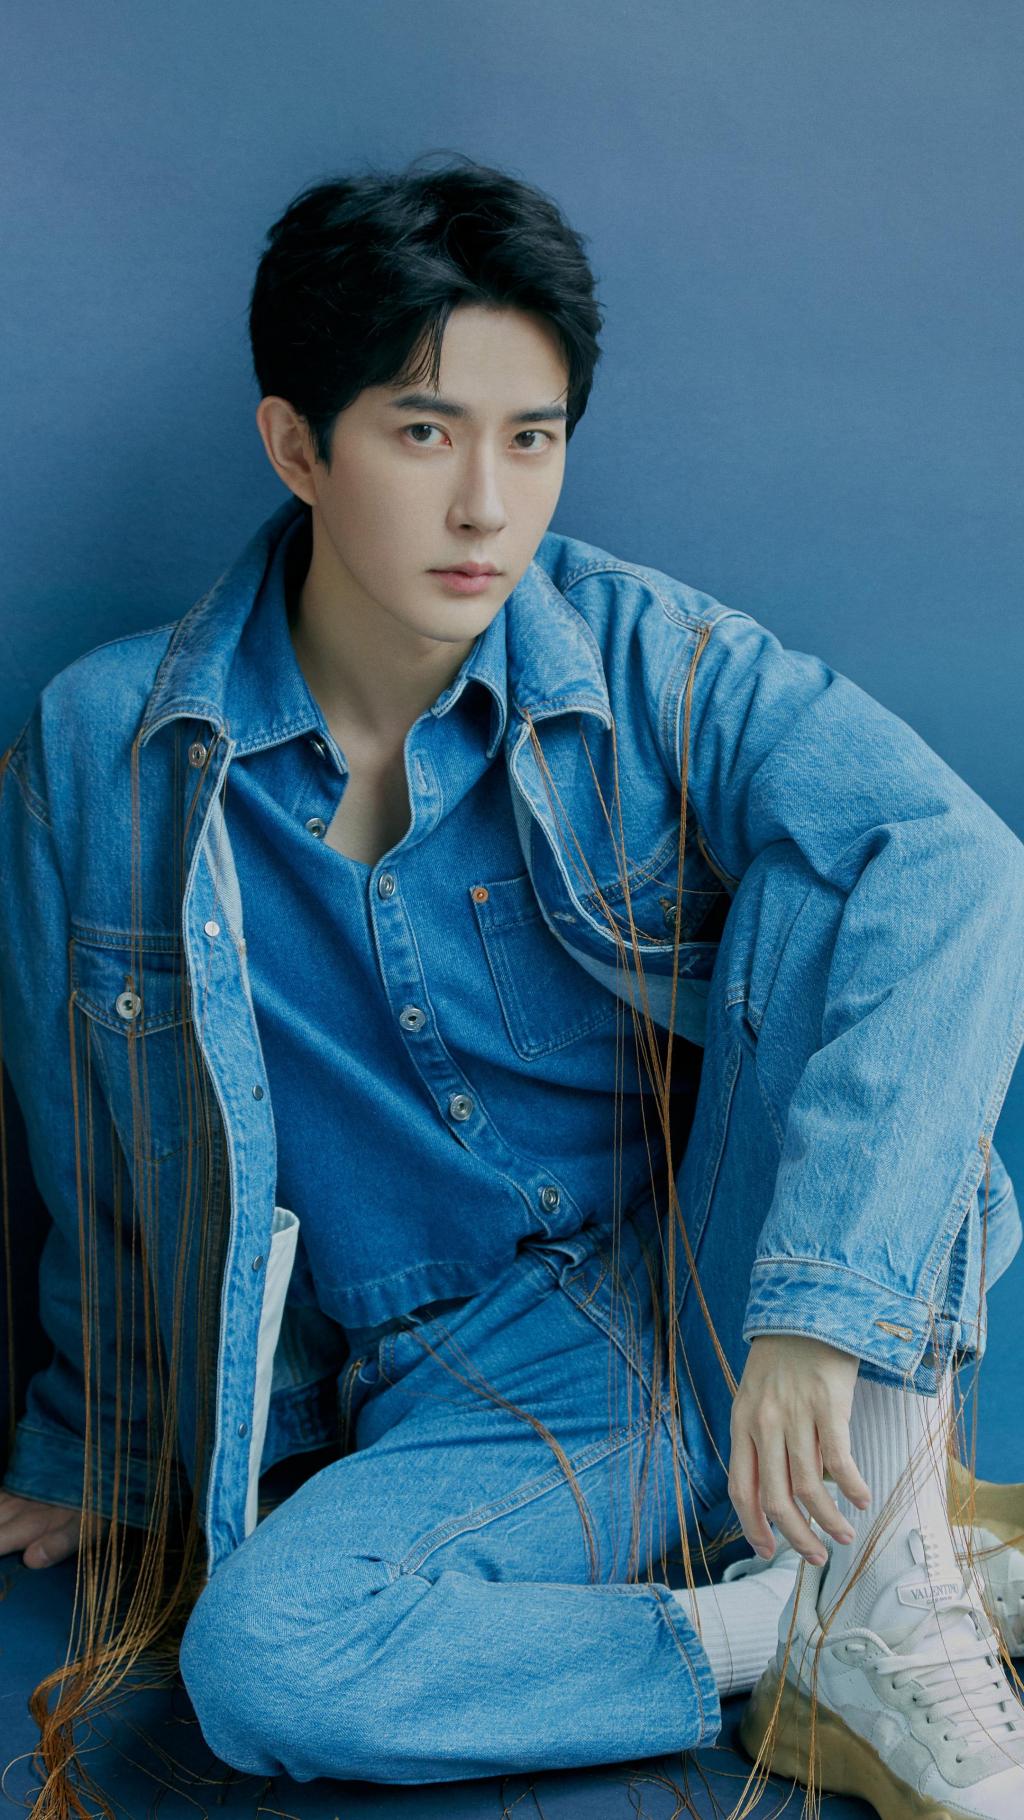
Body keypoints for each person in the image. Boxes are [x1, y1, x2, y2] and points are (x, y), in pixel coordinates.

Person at [2, 153, 1024, 1820]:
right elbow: (95, 1149)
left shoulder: (645, 657)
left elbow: (962, 867)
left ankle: (870, 1551)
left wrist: (810, 1312)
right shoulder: (107, 750)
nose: (487, 506)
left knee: (856, 881)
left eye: (531, 439)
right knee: (263, 1662)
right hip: (465, 1399)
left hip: (726, 1274)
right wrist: (95, 1447)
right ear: (297, 447)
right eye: (425, 433)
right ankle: (803, 1616)